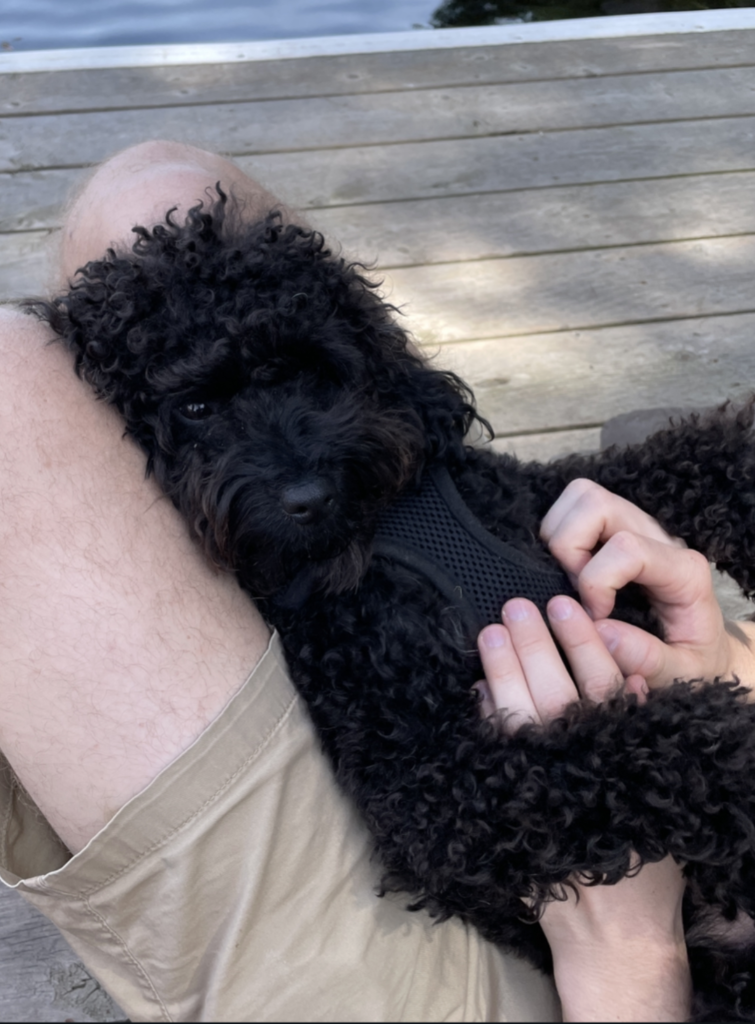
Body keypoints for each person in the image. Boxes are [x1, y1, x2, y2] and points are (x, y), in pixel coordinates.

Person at [0, 140, 753, 1023]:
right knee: (157, 190)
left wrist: (636, 956)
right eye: (207, 410)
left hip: (554, 896)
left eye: (306, 378)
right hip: (654, 731)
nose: (300, 473)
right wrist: (731, 668)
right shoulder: (408, 450)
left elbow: (433, 814)